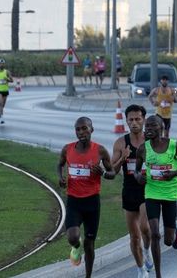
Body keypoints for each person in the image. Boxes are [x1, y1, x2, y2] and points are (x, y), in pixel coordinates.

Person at [134, 115, 177, 278]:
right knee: (155, 234)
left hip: (170, 193)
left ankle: (175, 229)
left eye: (153, 126)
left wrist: (175, 172)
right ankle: (159, 274)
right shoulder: (142, 149)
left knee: (168, 240)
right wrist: (138, 176)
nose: (148, 129)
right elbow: (137, 170)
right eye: (147, 126)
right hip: (152, 192)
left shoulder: (172, 145)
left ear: (161, 128)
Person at [57, 117, 116, 278]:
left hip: (92, 203)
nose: (81, 132)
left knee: (90, 244)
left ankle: (88, 276)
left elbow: (112, 174)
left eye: (84, 128)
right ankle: (76, 247)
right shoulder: (67, 149)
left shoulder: (100, 150)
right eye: (78, 129)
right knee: (73, 236)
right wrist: (60, 177)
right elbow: (60, 164)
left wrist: (103, 173)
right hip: (74, 201)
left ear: (92, 129)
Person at [110, 104, 153, 278]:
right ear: (126, 121)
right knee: (134, 236)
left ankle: (148, 249)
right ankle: (140, 268)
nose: (134, 123)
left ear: (143, 120)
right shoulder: (121, 142)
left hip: (147, 189)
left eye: (138, 119)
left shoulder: (151, 142)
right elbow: (111, 169)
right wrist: (123, 157)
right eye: (131, 120)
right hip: (129, 191)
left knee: (145, 228)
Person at [0, 58, 13, 124]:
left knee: (3, 105)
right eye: (0, 63)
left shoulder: (7, 72)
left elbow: (12, 80)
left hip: (5, 90)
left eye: (2, 63)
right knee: (1, 103)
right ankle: (2, 118)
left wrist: (7, 79)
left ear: (4, 64)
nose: (1, 65)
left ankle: (0, 111)